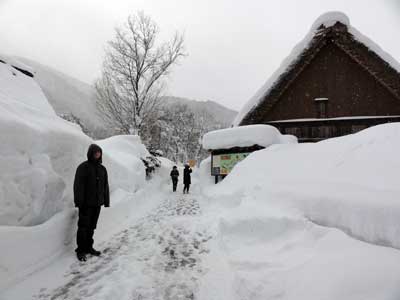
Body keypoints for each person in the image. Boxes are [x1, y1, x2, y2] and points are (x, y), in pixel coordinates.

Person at [73, 144, 110, 262]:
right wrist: (79, 202)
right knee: (83, 227)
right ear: (91, 153)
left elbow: (105, 186)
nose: (98, 154)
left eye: (99, 152)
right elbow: (78, 186)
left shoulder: (102, 169)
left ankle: (89, 247)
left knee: (92, 227)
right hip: (85, 204)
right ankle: (80, 250)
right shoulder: (83, 167)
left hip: (97, 204)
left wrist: (106, 201)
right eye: (95, 152)